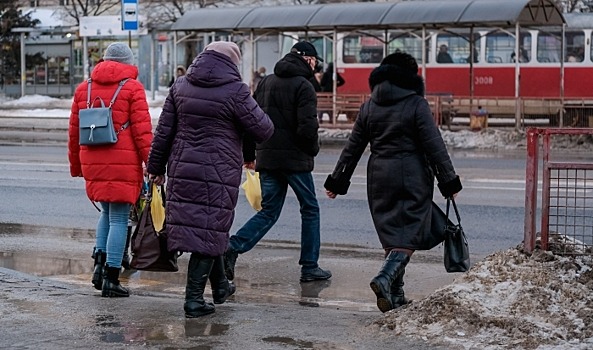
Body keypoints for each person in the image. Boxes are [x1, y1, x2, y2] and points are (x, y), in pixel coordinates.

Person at [323, 52, 462, 313]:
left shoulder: (369, 105)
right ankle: (385, 278)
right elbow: (435, 146)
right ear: (410, 76)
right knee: (409, 232)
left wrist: (337, 181)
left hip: (378, 175)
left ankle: (396, 295)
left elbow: (353, 148)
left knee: (392, 232)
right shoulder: (416, 104)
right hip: (412, 174)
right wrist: (449, 182)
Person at [147, 41, 274, 318]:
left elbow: (164, 132)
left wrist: (155, 168)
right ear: (232, 63)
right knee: (208, 229)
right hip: (218, 171)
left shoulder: (180, 86)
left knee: (209, 230)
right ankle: (193, 300)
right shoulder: (235, 90)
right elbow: (263, 129)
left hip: (182, 168)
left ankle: (220, 288)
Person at [224, 41, 332, 285]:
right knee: (310, 209)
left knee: (269, 211)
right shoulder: (304, 86)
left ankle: (232, 247)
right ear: (308, 59)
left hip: (268, 157)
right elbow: (308, 127)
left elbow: (252, 119)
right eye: (314, 60)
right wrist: (312, 150)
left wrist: (250, 154)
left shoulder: (267, 82)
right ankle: (309, 266)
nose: (315, 65)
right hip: (294, 160)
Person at [68, 42, 153, 298]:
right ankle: (111, 278)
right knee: (118, 218)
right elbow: (142, 131)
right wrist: (152, 163)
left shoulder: (84, 88)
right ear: (127, 63)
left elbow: (74, 133)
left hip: (92, 159)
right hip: (123, 160)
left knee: (105, 213)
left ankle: (98, 268)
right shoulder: (132, 88)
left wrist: (77, 166)